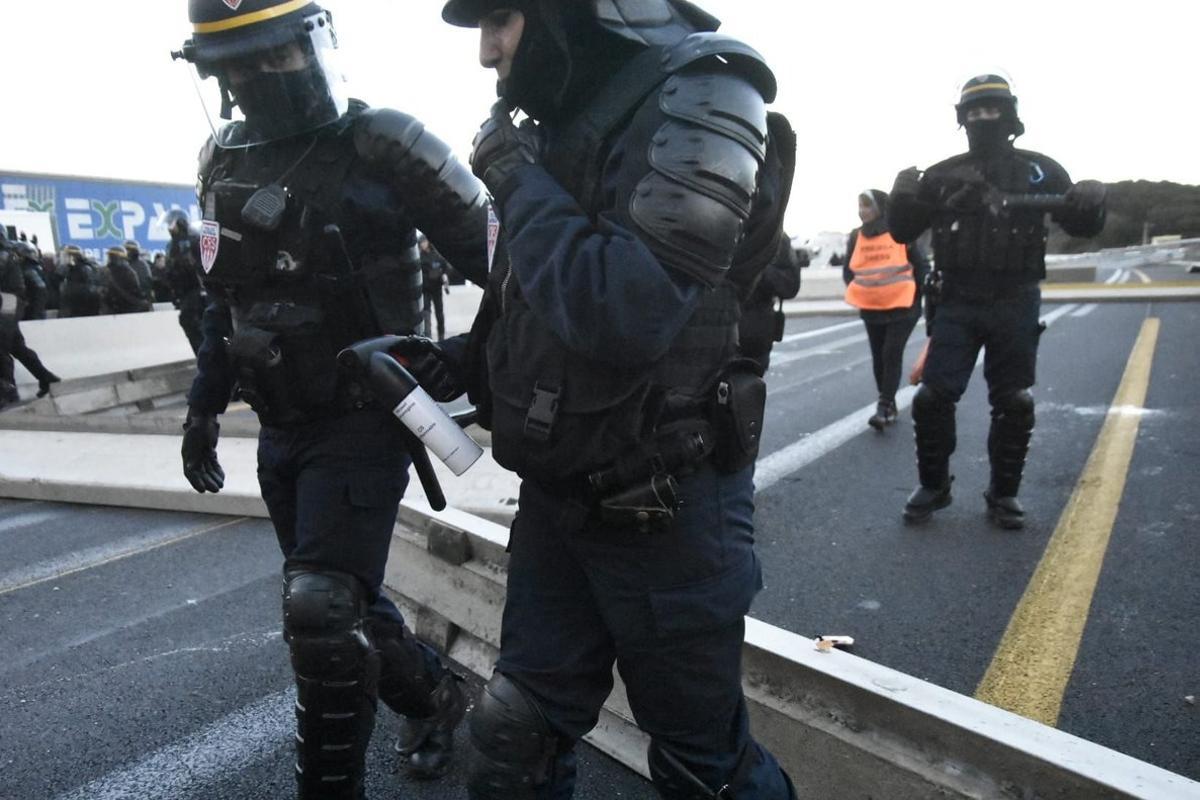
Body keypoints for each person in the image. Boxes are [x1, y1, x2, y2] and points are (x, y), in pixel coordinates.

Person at [424, 2, 798, 797]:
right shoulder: (568, 119)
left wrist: (519, 179)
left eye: (500, 19)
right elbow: (538, 302)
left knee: (705, 770)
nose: (486, 53)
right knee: (511, 733)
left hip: (665, 506)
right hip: (561, 497)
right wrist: (457, 362)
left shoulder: (708, 91)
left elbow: (624, 310)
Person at [173, 2, 490, 796]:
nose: (255, 79)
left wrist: (465, 365)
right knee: (335, 598)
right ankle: (438, 697)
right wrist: (204, 404)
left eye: (270, 57)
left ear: (311, 44)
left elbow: (515, 267)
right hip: (280, 422)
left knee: (319, 605)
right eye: (235, 66)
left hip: (363, 418)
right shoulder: (223, 155)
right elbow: (225, 300)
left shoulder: (386, 143)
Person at [887, 73, 1106, 528]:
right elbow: (903, 231)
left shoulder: (1039, 169)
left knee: (1014, 401)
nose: (983, 118)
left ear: (1010, 115)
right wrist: (901, 196)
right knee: (931, 398)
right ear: (961, 118)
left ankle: (1003, 492)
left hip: (1015, 299)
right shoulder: (943, 173)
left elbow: (1083, 225)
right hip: (956, 302)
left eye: (992, 109)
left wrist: (1092, 197)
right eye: (975, 111)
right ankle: (934, 484)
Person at [843, 189, 928, 431]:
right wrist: (863, 291)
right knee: (879, 357)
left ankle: (884, 406)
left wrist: (921, 297)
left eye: (867, 206)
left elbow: (921, 266)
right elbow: (849, 271)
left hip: (903, 307)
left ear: (880, 208)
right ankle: (887, 401)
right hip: (872, 307)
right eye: (860, 206)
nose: (862, 211)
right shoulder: (855, 237)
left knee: (891, 352)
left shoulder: (901, 232)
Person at [0, 237, 59, 403]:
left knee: (2, 347)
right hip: (10, 302)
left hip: (6, 302)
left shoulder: (3, 255)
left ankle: (7, 390)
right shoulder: (8, 254)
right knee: (16, 346)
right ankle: (46, 378)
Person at [739, 234, 802, 373]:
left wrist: (756, 269)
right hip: (706, 338)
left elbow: (790, 285)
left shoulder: (774, 235)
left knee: (746, 389)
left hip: (753, 338)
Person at [161, 209, 206, 354]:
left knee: (193, 322)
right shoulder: (172, 244)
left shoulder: (191, 240)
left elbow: (195, 266)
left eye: (171, 224)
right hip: (184, 292)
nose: (169, 228)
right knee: (191, 323)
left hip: (196, 290)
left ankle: (207, 358)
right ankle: (204, 357)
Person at [102, 245, 153, 314]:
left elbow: (135, 293)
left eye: (111, 256)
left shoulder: (127, 272)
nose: (109, 259)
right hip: (114, 307)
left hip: (126, 308)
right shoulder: (108, 271)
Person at [57, 245, 103, 318]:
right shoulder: (70, 270)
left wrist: (69, 289)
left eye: (67, 256)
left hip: (82, 310)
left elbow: (89, 289)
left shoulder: (84, 269)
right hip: (75, 309)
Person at [419, 236, 449, 341]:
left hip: (437, 288)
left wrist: (444, 277)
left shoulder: (437, 256)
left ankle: (441, 336)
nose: (422, 244)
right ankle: (428, 337)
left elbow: (445, 268)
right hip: (425, 290)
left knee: (439, 314)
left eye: (424, 242)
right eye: (421, 242)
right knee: (426, 314)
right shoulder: (419, 257)